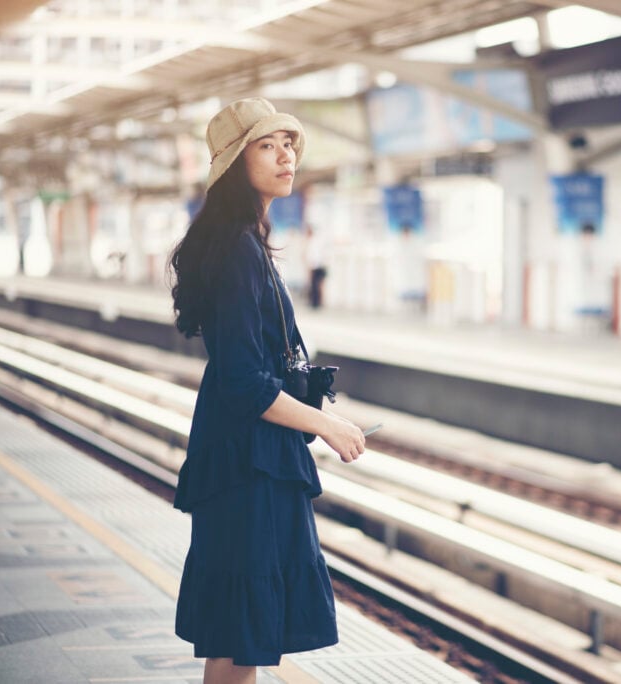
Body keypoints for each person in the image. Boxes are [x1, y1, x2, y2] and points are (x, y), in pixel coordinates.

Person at [167, 97, 366, 684]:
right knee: (242, 630)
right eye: (267, 146)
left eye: (289, 145)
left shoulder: (245, 242)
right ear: (235, 163)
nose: (286, 157)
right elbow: (244, 382)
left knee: (240, 633)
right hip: (245, 465)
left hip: (248, 459)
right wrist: (326, 425)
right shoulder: (236, 250)